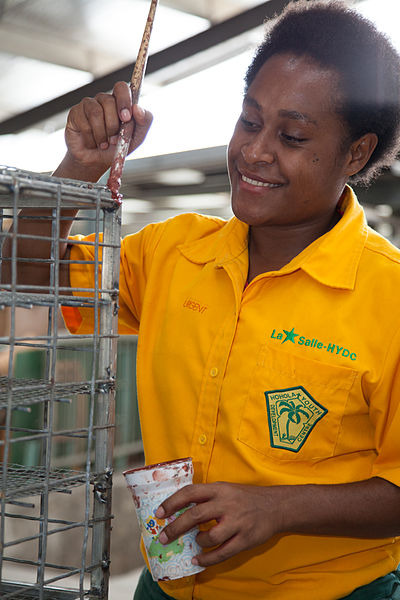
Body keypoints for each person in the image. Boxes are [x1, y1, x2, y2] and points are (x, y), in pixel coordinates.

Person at [5, 0, 400, 598]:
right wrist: (76, 171)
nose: (255, 152)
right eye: (249, 120)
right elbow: (24, 272)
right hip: (169, 585)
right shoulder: (173, 254)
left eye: (292, 136)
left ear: (356, 153)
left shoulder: (387, 296)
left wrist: (278, 510)